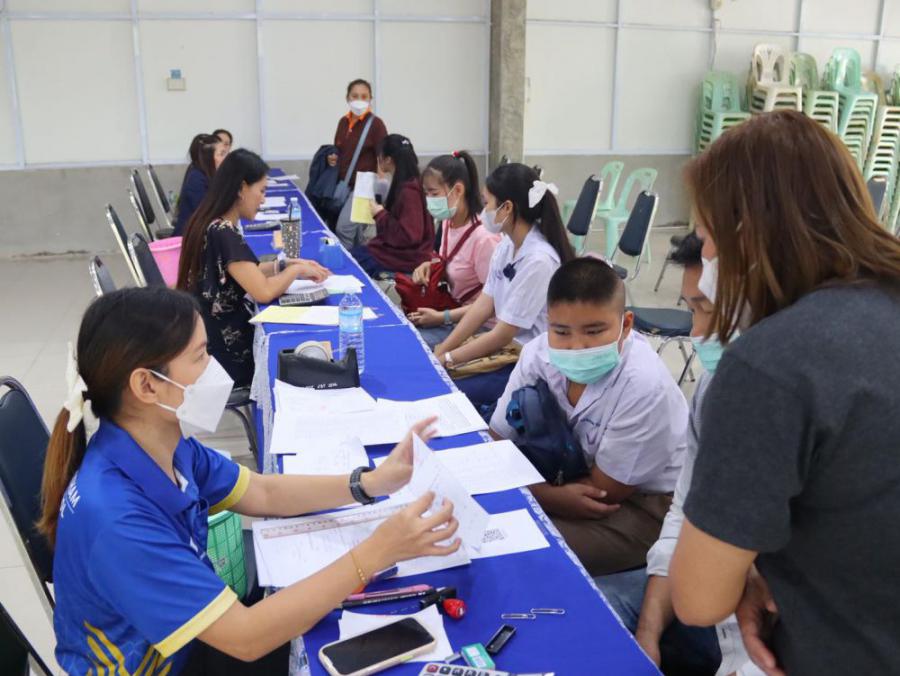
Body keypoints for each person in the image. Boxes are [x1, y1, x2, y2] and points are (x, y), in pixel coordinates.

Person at [42, 287, 460, 675]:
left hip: (187, 639)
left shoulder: (160, 444)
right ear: (147, 385)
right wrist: (376, 552)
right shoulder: (116, 519)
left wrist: (369, 483)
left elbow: (263, 491)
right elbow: (245, 638)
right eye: (201, 356)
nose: (214, 369)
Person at [669, 110, 900, 675]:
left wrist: (744, 572)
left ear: (745, 235)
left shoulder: (772, 366)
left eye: (706, 239)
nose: (705, 261)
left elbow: (698, 599)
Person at [596, 233, 751, 675]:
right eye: (691, 310)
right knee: (587, 614)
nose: (696, 332)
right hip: (707, 610)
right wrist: (648, 633)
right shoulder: (714, 389)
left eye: (707, 309)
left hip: (748, 635)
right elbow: (683, 514)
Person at [490, 257, 686, 576]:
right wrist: (547, 495)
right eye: (561, 331)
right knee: (481, 517)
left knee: (526, 550)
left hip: (639, 502)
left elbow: (602, 494)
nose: (577, 346)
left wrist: (529, 489)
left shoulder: (644, 385)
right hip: (558, 478)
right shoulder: (537, 355)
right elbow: (497, 439)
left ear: (626, 325)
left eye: (594, 331)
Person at [177, 149, 329, 388]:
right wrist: (295, 272)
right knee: (304, 357)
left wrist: (286, 264)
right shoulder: (223, 232)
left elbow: (247, 271)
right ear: (241, 188)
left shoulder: (213, 222)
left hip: (212, 337)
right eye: (261, 191)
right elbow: (263, 292)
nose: (263, 200)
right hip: (228, 354)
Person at [434, 163, 575, 409]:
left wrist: (448, 359)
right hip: (505, 350)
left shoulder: (539, 261)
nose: (483, 211)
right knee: (433, 356)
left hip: (527, 363)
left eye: (486, 203)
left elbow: (503, 334)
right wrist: (443, 351)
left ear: (507, 207)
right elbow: (483, 305)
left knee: (447, 392)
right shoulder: (507, 245)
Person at [407, 151, 501, 348]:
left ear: (458, 190)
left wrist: (442, 317)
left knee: (411, 344)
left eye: (434, 194)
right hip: (453, 312)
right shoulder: (448, 223)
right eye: (426, 194)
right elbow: (448, 260)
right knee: (403, 330)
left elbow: (493, 304)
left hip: (482, 327)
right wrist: (429, 266)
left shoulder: (484, 239)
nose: (429, 200)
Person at [349, 134, 434, 277]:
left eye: (379, 155)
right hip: (400, 253)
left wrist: (380, 214)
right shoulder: (410, 182)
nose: (378, 158)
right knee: (353, 255)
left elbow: (409, 236)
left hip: (406, 258)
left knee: (349, 263)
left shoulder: (409, 191)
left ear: (388, 159)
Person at [327, 79, 387, 186]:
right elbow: (338, 150)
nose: (359, 100)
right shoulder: (343, 122)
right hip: (342, 185)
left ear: (370, 99)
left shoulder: (376, 124)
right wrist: (332, 158)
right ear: (347, 98)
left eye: (364, 97)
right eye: (355, 96)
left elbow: (383, 159)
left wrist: (380, 186)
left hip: (364, 188)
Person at [174, 134, 225, 236]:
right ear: (208, 158)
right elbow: (210, 213)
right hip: (190, 238)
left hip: (202, 233)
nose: (225, 158)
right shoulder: (196, 179)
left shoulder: (206, 174)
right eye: (221, 154)